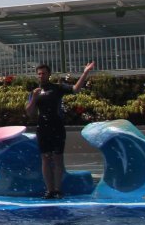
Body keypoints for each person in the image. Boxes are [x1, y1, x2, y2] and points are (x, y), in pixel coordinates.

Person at [25, 61, 95, 199]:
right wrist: (34, 98)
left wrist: (85, 72)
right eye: (39, 74)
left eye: (44, 73)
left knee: (57, 158)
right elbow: (29, 112)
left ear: (49, 74)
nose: (41, 76)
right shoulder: (34, 92)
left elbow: (75, 89)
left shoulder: (57, 88)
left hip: (57, 126)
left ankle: (57, 189)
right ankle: (49, 190)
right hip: (42, 127)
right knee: (45, 158)